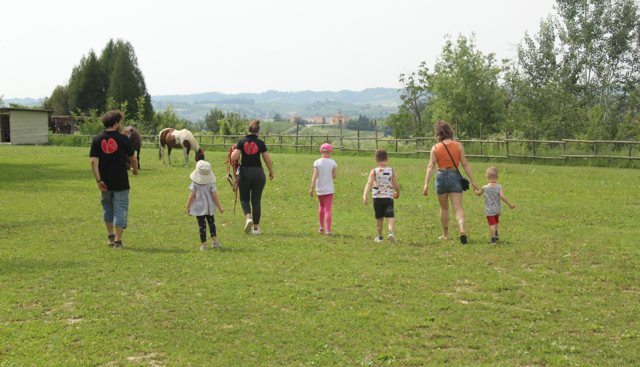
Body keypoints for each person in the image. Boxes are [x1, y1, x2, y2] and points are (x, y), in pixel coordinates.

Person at [89, 110, 138, 249]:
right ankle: (118, 241)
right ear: (116, 123)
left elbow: (93, 162)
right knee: (121, 209)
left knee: (107, 208)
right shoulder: (123, 139)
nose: (121, 124)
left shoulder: (97, 139)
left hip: (104, 183)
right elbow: (132, 157)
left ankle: (110, 236)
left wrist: (99, 181)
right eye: (120, 122)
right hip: (121, 182)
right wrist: (135, 169)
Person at [423, 121, 478, 244]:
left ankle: (446, 235)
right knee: (458, 208)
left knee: (444, 208)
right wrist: (473, 181)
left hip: (441, 176)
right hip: (455, 176)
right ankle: (462, 229)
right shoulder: (458, 146)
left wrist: (426, 184)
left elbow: (431, 166)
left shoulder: (435, 147)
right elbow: (465, 164)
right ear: (450, 132)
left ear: (438, 134)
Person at [230, 120, 274, 235]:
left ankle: (248, 218)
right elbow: (267, 160)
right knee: (256, 201)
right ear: (258, 132)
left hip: (245, 173)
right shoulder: (261, 143)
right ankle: (256, 229)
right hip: (258, 173)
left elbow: (234, 158)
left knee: (244, 198)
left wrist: (234, 150)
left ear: (248, 131)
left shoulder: (241, 141)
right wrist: (271, 172)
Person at [363, 149, 400, 244]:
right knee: (390, 215)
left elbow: (369, 183)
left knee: (379, 217)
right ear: (387, 159)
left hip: (377, 198)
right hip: (388, 197)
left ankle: (379, 237)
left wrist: (365, 195)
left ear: (376, 160)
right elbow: (396, 185)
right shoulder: (392, 171)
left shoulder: (374, 171)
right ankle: (391, 232)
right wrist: (397, 193)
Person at [186, 160, 225, 251]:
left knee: (202, 225)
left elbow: (192, 195)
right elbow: (214, 195)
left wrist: (188, 206)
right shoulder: (211, 183)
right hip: (209, 206)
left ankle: (204, 245)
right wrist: (220, 207)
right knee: (212, 223)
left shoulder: (195, 183)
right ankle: (214, 241)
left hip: (199, 207)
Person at [474, 167, 515, 244]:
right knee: (496, 221)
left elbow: (479, 194)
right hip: (498, 208)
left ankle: (493, 239)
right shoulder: (499, 187)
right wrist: (510, 204)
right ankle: (496, 233)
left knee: (492, 224)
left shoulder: (485, 187)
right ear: (497, 177)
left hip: (489, 210)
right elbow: (502, 197)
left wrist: (475, 190)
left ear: (487, 176)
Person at [309, 143, 338, 236]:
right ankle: (328, 230)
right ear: (329, 152)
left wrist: (312, 187)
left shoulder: (317, 162)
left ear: (321, 151)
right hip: (329, 189)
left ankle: (321, 227)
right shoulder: (333, 163)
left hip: (319, 189)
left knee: (321, 206)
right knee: (328, 209)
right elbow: (334, 176)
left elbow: (314, 175)